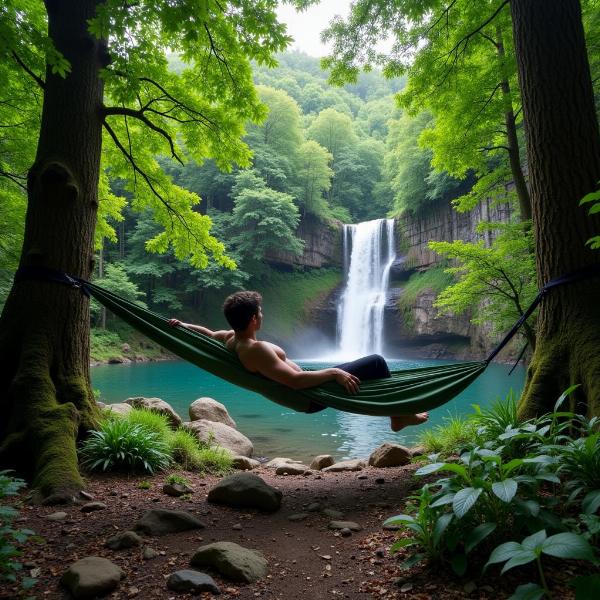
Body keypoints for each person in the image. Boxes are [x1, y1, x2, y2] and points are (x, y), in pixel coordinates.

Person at [168, 290, 428, 432]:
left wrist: (183, 325)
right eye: (259, 312)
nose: (262, 314)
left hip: (310, 386)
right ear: (253, 320)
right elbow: (293, 380)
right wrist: (335, 372)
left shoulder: (231, 339)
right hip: (312, 396)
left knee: (370, 368)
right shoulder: (255, 350)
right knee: (377, 363)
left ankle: (397, 413)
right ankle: (399, 416)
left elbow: (208, 333)